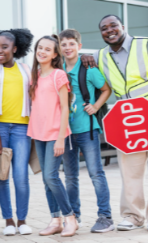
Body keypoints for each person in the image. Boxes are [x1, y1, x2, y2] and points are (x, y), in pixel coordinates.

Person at [81, 14, 148, 231]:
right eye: (104, 28)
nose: (109, 30)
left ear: (123, 26)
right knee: (130, 170)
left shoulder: (147, 45)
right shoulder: (100, 56)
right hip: (127, 120)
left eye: (113, 25)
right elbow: (72, 59)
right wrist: (83, 55)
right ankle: (132, 216)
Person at [59, 29, 114, 233]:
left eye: (71, 44)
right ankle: (75, 216)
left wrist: (96, 106)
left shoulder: (88, 68)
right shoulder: (58, 69)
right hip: (66, 131)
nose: (67, 48)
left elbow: (106, 89)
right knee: (70, 176)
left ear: (79, 46)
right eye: (63, 44)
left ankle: (105, 217)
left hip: (87, 130)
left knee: (96, 173)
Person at [0, 29, 34, 236]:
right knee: (2, 176)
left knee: (21, 176)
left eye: (4, 47)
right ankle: (8, 221)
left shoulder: (26, 69)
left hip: (22, 128)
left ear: (15, 49)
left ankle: (22, 220)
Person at [27, 35, 78, 237]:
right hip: (38, 134)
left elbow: (65, 109)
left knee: (51, 176)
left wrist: (60, 138)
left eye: (48, 49)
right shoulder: (35, 75)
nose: (42, 51)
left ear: (55, 54)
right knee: (46, 179)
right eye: (40, 47)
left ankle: (70, 218)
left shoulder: (59, 75)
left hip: (56, 134)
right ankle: (55, 220)